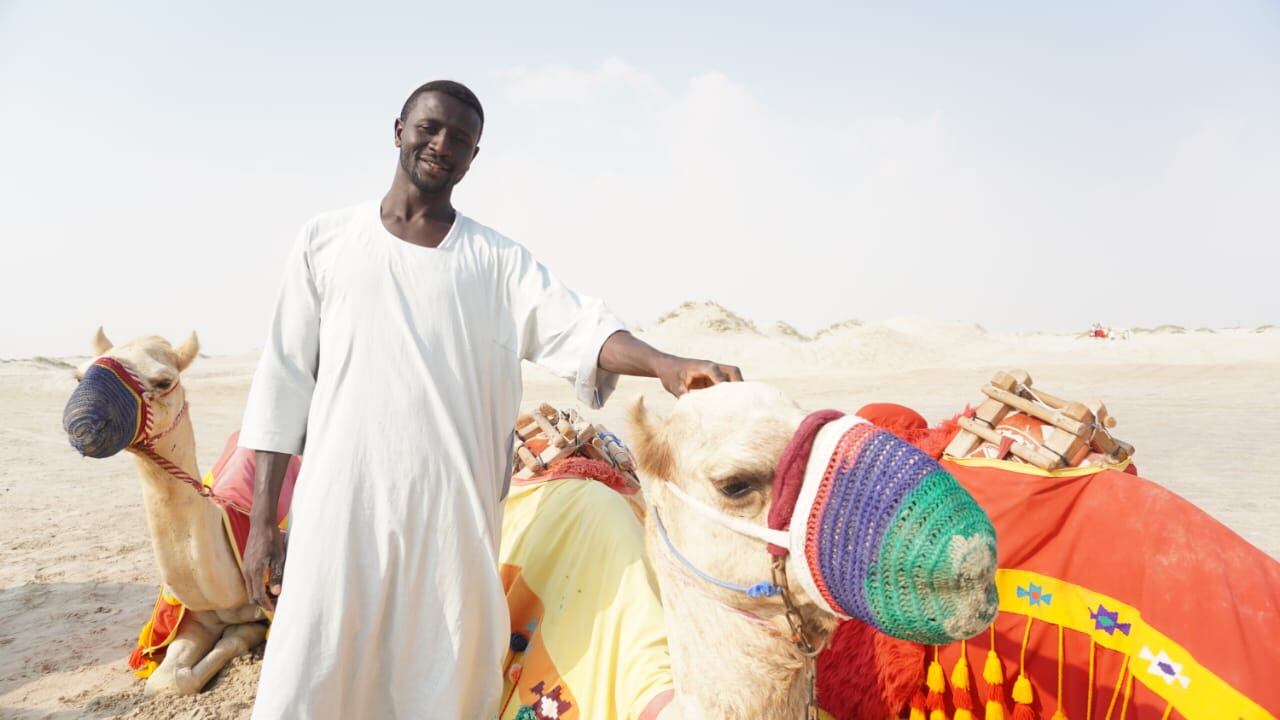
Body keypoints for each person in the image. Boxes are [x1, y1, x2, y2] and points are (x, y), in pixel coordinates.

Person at [238, 79, 741, 719]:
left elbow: (578, 328)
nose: (441, 144)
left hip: (451, 526)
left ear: (474, 158)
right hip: (338, 516)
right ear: (399, 129)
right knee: (312, 678)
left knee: (438, 686)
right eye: (429, 128)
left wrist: (667, 365)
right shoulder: (325, 242)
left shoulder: (497, 262)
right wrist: (261, 527)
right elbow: (283, 382)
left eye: (461, 139)